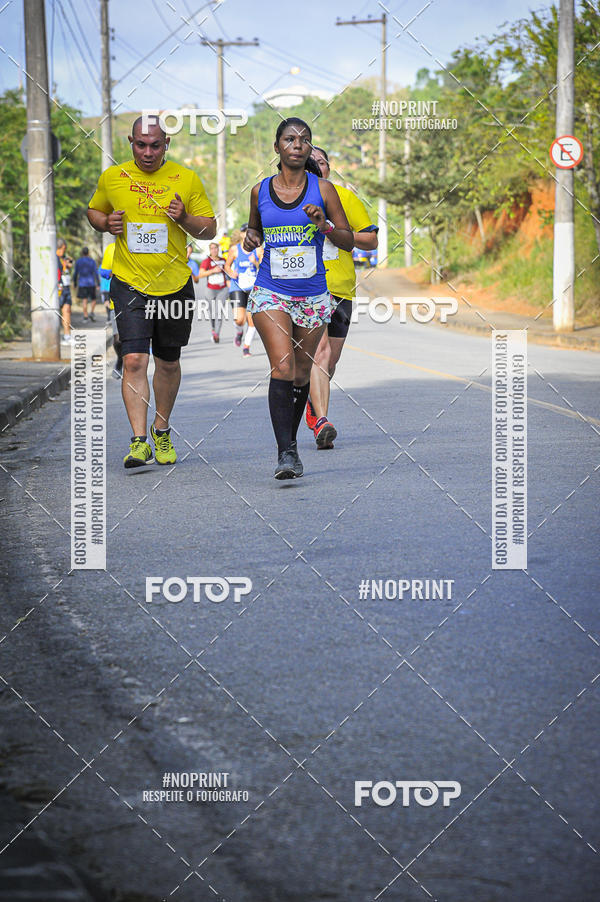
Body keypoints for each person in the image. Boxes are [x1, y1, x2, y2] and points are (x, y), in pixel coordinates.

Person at [87, 114, 216, 470]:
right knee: (133, 360)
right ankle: (139, 441)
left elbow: (209, 230)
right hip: (129, 283)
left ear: (166, 145)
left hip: (174, 285)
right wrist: (105, 222)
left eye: (155, 145)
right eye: (141, 145)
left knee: (168, 362)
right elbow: (94, 210)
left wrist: (184, 218)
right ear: (131, 142)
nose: (147, 152)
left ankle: (161, 429)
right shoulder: (113, 177)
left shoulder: (185, 179)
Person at [244, 117, 353, 480]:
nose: (297, 144)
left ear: (309, 149)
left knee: (303, 371)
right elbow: (255, 231)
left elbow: (347, 240)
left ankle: (290, 444)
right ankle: (286, 453)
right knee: (283, 367)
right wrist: (250, 240)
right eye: (289, 139)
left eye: (304, 140)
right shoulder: (260, 191)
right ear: (277, 147)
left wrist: (324, 224)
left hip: (312, 294)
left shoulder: (323, 191)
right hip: (270, 290)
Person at [306, 146, 378, 448]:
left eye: (322, 161)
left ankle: (313, 406)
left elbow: (371, 240)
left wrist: (335, 230)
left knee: (329, 361)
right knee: (319, 354)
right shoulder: (292, 199)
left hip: (341, 286)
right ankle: (322, 421)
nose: (317, 166)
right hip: (308, 287)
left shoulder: (345, 199)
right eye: (313, 162)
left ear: (329, 168)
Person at [224, 223, 260, 357]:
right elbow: (227, 266)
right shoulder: (234, 249)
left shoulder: (258, 250)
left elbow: (264, 268)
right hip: (237, 287)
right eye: (244, 232)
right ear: (241, 234)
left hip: (253, 288)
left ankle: (246, 347)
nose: (246, 234)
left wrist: (255, 262)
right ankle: (239, 332)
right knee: (239, 319)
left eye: (249, 232)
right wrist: (231, 272)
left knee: (252, 321)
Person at [100, 241, 124, 379]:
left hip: (141, 301)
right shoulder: (111, 248)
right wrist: (111, 272)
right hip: (117, 302)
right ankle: (120, 360)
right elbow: (103, 271)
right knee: (118, 340)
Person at [198, 241, 228, 343]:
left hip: (222, 289)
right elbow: (200, 274)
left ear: (218, 249)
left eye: (216, 248)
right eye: (212, 248)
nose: (214, 250)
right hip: (210, 289)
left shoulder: (223, 260)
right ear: (210, 250)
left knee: (219, 311)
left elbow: (228, 273)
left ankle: (217, 333)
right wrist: (213, 271)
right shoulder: (207, 261)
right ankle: (213, 328)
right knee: (212, 312)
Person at [73, 247, 100, 321]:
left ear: (82, 253)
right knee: (93, 299)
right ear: (88, 253)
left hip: (82, 283)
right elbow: (96, 273)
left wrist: (75, 283)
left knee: (84, 300)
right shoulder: (92, 261)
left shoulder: (78, 261)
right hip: (91, 283)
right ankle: (92, 312)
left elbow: (75, 273)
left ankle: (85, 316)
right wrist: (98, 283)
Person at [57, 238, 73, 342]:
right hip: (58, 287)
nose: (64, 251)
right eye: (63, 249)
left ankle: (67, 335)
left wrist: (68, 264)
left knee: (67, 311)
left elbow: (70, 265)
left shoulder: (64, 258)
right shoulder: (54, 259)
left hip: (66, 286)